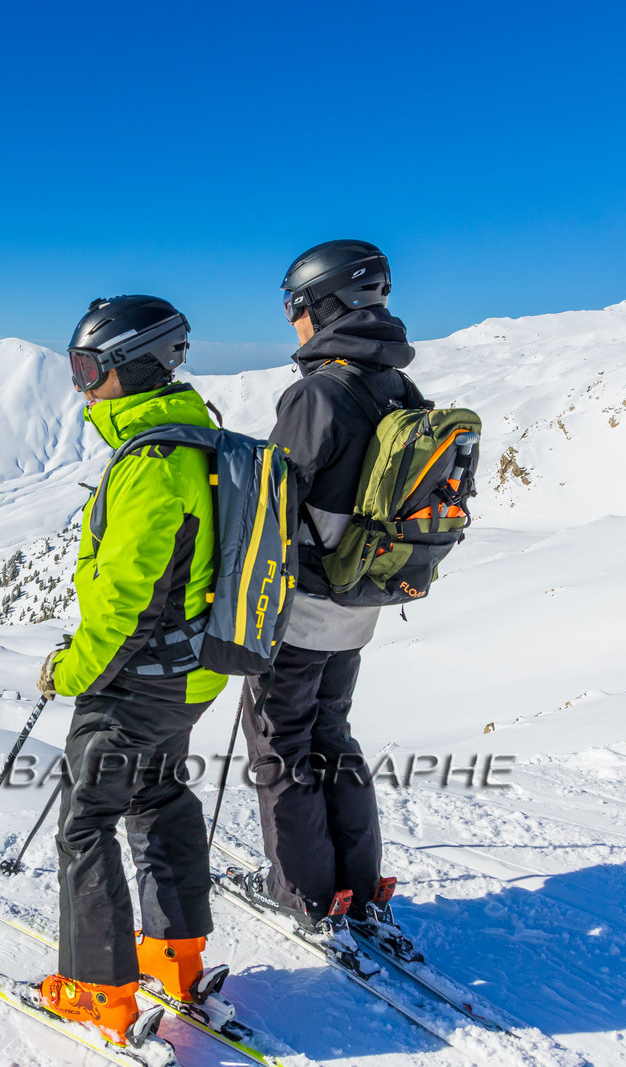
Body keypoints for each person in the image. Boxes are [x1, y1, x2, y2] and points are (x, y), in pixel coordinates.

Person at [34, 295, 234, 1049]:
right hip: (190, 674)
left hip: (137, 677)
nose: (81, 384)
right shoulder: (194, 438)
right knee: (158, 795)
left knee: (87, 820)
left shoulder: (152, 463)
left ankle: (99, 990)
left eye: (87, 367)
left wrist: (71, 669)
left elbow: (123, 603)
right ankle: (175, 956)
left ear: (131, 366)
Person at [240, 240, 424, 929]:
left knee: (280, 744)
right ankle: (357, 883)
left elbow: (274, 508)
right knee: (331, 734)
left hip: (302, 607)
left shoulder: (319, 392)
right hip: (361, 600)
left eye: (295, 304)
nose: (291, 320)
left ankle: (308, 895)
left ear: (326, 304)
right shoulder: (396, 386)